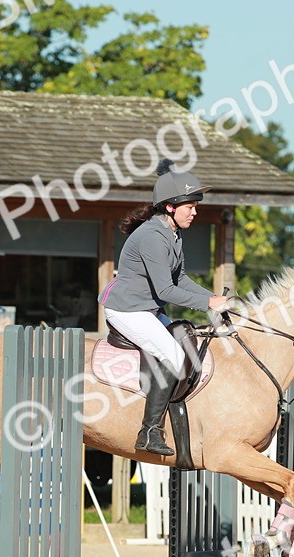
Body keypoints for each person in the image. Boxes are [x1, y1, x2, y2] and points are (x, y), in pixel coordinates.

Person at [99, 159, 231, 456]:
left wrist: (212, 299)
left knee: (186, 343)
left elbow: (180, 278)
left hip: (145, 307)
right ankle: (148, 431)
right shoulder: (152, 236)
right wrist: (207, 303)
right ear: (171, 206)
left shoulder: (172, 233)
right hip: (127, 310)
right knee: (173, 355)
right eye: (190, 207)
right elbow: (166, 290)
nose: (195, 212)